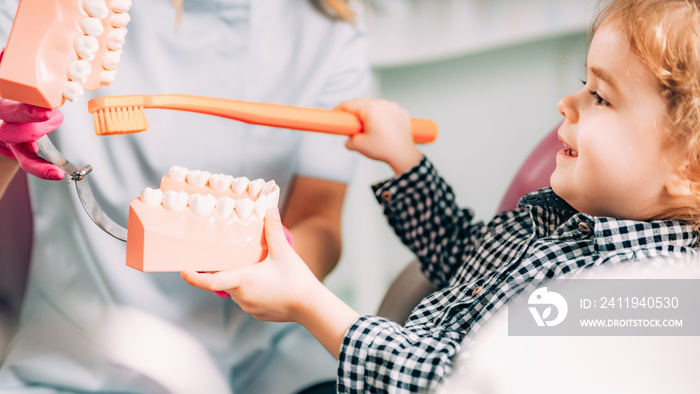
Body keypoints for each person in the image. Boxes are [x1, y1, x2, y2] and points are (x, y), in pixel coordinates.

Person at [180, 0, 700, 392]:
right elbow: (461, 255)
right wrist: (403, 161)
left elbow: (448, 381)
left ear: (689, 169)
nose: (566, 103)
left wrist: (311, 305)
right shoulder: (559, 218)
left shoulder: (640, 304)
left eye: (601, 96)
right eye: (582, 83)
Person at [0, 0, 370, 393]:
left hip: (272, 364)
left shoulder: (330, 23)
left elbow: (320, 219)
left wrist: (284, 260)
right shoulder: (42, 8)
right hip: (82, 364)